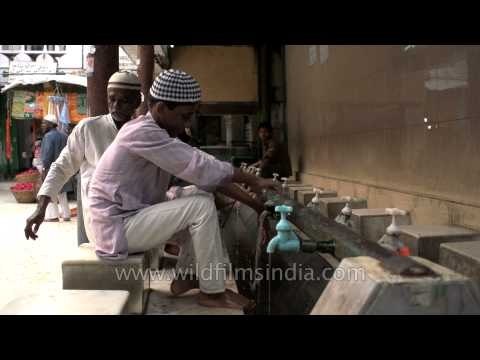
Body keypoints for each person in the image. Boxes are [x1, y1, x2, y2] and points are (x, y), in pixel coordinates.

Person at [88, 69, 278, 310]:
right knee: (199, 206)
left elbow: (207, 177)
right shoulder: (142, 132)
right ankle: (213, 293)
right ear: (160, 109)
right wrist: (253, 181)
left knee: (200, 196)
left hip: (131, 216)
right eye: (184, 116)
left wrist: (255, 204)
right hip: (116, 228)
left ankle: (187, 276)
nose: (187, 123)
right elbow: (202, 167)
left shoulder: (157, 132)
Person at [24, 71, 141, 242]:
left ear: (137, 101)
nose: (115, 106)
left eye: (123, 101)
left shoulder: (144, 132)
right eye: (112, 99)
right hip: (100, 222)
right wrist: (41, 208)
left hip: (136, 215)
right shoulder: (89, 129)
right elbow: (62, 167)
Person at [40, 114, 72, 222]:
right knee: (62, 192)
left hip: (51, 168)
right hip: (64, 167)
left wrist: (44, 168)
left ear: (51, 125)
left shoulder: (48, 136)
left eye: (44, 123)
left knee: (50, 191)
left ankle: (53, 216)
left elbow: (47, 155)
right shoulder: (64, 136)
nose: (42, 125)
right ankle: (66, 214)